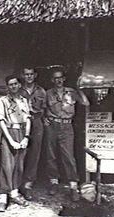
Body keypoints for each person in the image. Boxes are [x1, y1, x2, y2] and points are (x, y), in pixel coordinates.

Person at [44, 67, 90, 201]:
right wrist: (44, 118)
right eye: (55, 78)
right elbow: (42, 107)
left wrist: (79, 89)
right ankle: (53, 183)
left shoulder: (72, 92)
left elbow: (86, 103)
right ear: (52, 80)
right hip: (52, 125)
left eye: (60, 77)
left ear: (64, 79)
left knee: (68, 156)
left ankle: (73, 186)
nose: (58, 80)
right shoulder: (48, 93)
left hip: (67, 125)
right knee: (51, 155)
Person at [0, 75, 31, 212]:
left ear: (19, 85)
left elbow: (28, 119)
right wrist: (10, 140)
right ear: (7, 87)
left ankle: (14, 193)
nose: (13, 86)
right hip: (9, 132)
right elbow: (1, 121)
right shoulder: (3, 100)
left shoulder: (24, 100)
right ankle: (2, 197)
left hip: (22, 133)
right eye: (10, 84)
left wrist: (26, 137)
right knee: (7, 165)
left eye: (15, 84)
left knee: (19, 165)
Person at [19, 67, 47, 200]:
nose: (29, 77)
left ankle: (28, 184)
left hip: (36, 122)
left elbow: (46, 108)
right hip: (21, 123)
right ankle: (17, 182)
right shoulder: (18, 90)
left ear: (35, 75)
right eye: (26, 74)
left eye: (31, 74)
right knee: (20, 152)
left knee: (35, 153)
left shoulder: (41, 91)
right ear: (23, 76)